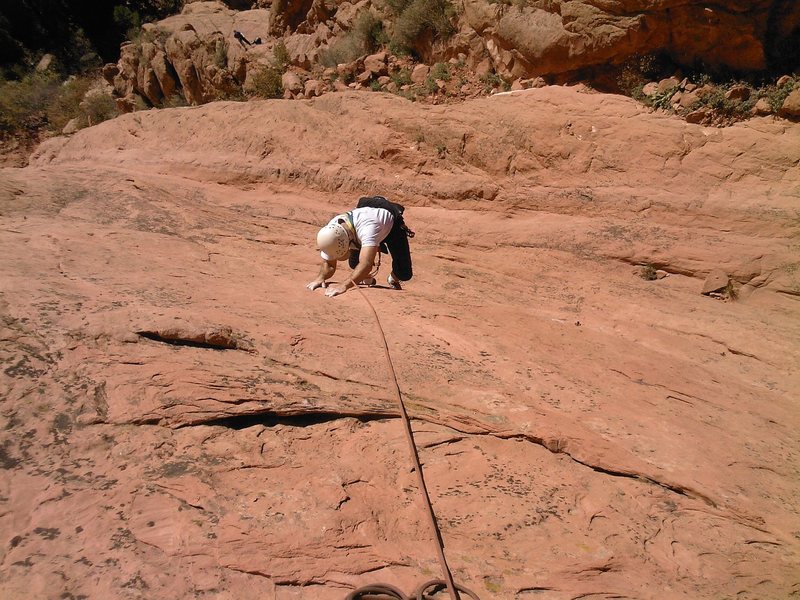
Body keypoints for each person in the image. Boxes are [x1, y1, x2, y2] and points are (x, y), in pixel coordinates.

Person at [307, 196, 414, 297]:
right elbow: (330, 264)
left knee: (404, 273)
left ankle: (393, 279)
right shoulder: (333, 227)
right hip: (364, 220)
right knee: (355, 264)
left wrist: (343, 286)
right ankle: (367, 279)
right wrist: (320, 278)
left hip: (391, 225)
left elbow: (366, 265)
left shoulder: (368, 230)